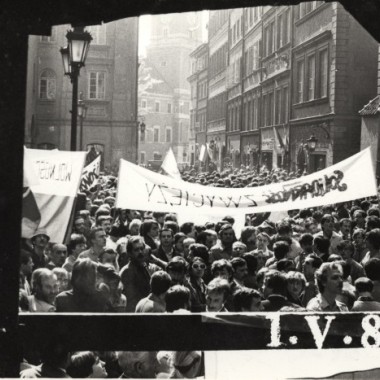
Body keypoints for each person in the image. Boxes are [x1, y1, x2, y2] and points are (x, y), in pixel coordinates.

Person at [119, 236, 158, 312]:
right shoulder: (128, 271)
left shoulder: (144, 266)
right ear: (130, 253)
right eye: (136, 250)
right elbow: (131, 300)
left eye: (142, 249)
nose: (140, 252)